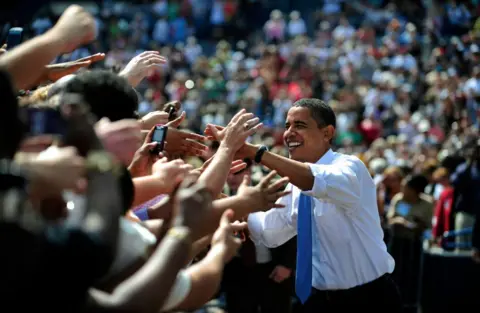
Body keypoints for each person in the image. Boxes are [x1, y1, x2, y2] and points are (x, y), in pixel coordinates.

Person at [206, 98, 401, 312]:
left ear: (327, 133)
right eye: (287, 126)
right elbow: (270, 232)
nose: (289, 133)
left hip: (369, 300)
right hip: (317, 300)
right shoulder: (294, 184)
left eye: (300, 125)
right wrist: (219, 197)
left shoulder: (349, 167)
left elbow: (316, 180)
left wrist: (256, 153)